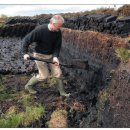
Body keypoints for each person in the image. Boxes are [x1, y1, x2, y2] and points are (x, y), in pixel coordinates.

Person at [21, 14, 70, 97]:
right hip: (39, 55)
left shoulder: (57, 32)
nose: (60, 28)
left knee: (58, 73)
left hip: (50, 56)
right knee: (44, 76)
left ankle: (62, 92)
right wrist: (25, 53)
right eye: (59, 26)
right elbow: (26, 40)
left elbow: (57, 46)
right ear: (53, 24)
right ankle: (28, 86)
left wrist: (55, 56)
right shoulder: (40, 30)